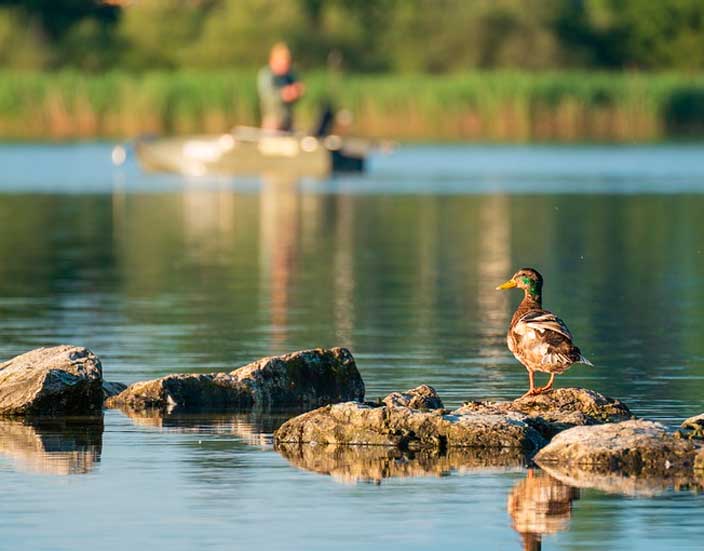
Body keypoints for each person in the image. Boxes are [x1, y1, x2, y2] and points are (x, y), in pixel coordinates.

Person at [258, 42, 304, 132]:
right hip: (272, 123)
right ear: (272, 61)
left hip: (288, 122)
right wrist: (285, 94)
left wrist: (297, 92)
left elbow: (295, 97)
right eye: (282, 64)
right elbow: (267, 97)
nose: (285, 67)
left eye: (287, 64)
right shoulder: (266, 75)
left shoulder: (289, 76)